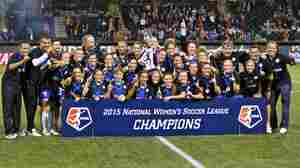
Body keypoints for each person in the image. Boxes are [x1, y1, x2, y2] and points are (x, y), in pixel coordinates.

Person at [23, 34, 53, 136]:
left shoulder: (46, 53)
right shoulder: (35, 51)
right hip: (30, 83)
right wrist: (47, 55)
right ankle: (30, 129)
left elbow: (44, 66)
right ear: (40, 43)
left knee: (37, 106)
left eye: (48, 43)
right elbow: (35, 63)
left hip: (39, 84)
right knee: (31, 106)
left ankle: (31, 128)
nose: (46, 45)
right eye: (44, 43)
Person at [2, 41, 31, 139]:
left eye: (27, 48)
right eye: (23, 48)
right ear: (20, 48)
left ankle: (16, 129)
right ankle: (8, 132)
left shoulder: (26, 58)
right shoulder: (16, 55)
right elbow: (10, 67)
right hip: (8, 85)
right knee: (8, 108)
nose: (25, 50)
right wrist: (23, 61)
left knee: (17, 109)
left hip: (17, 86)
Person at [268, 41, 295, 134]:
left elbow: (291, 60)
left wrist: (292, 61)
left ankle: (284, 125)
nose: (271, 49)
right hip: (273, 84)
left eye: (273, 48)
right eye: (269, 47)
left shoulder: (281, 57)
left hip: (284, 83)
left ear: (276, 49)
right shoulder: (265, 58)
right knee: (271, 104)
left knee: (285, 103)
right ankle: (273, 125)